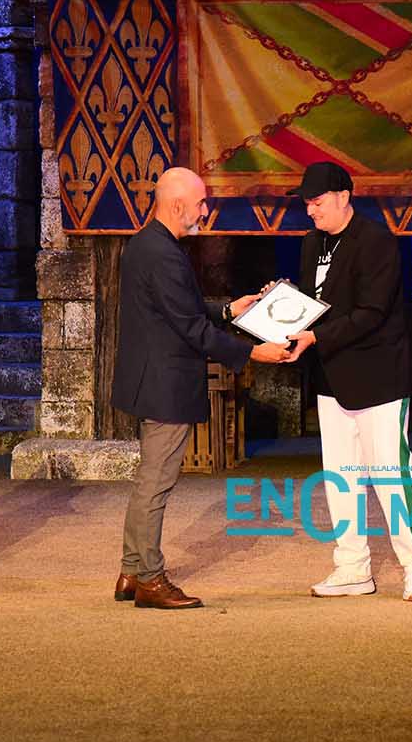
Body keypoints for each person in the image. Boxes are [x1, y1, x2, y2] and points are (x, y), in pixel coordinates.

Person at [112, 167, 291, 609]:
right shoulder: (163, 254)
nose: (205, 211)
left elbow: (181, 309)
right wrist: (253, 352)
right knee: (156, 482)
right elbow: (191, 328)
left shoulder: (148, 244)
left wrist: (229, 310)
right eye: (200, 203)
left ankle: (131, 571)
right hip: (165, 382)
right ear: (178, 206)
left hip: (154, 377)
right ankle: (149, 578)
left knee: (149, 479)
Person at [283, 162, 412, 602]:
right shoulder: (311, 242)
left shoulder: (376, 240)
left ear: (344, 196)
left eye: (317, 202)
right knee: (341, 477)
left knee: (391, 475)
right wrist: (282, 308)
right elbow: (312, 304)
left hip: (379, 377)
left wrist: (315, 336)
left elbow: (372, 312)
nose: (311, 211)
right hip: (331, 377)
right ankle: (352, 568)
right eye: (307, 204)